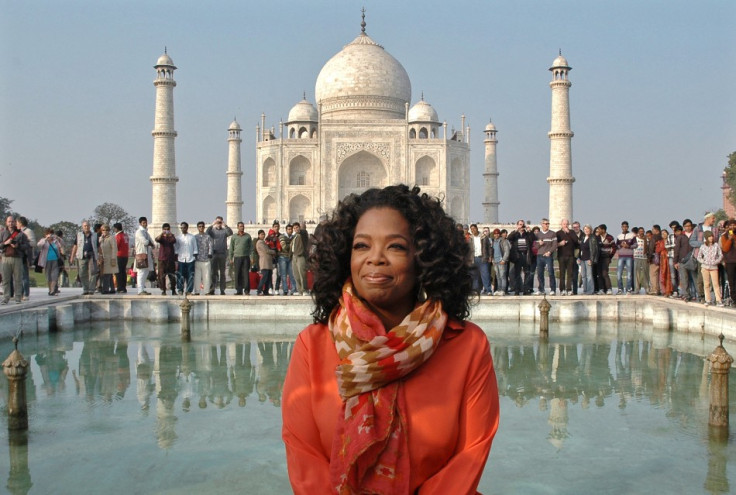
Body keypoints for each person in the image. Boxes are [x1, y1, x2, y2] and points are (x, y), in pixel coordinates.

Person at [282, 185, 499, 494]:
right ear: (346, 256)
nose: (375, 259)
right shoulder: (313, 346)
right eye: (361, 246)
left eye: (395, 247)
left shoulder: (466, 346)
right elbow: (304, 456)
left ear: (423, 257)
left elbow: (469, 455)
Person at [1, 216, 29, 304]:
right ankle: (6, 297)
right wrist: (5, 243)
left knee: (18, 279)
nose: (11, 223)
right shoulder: (2, 233)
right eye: (9, 222)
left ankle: (17, 297)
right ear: (6, 222)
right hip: (6, 258)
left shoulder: (21, 234)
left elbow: (26, 246)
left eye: (12, 222)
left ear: (15, 223)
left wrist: (18, 246)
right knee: (5, 279)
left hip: (17, 258)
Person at [69, 220, 98, 296]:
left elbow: (98, 246)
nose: (86, 227)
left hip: (92, 255)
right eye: (85, 226)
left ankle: (91, 289)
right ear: (82, 227)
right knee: (82, 273)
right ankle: (86, 289)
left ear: (90, 227)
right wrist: (72, 256)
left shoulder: (94, 235)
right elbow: (75, 246)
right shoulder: (79, 235)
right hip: (81, 255)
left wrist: (100, 256)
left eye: (88, 226)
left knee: (93, 272)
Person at [507, 219, 535, 295]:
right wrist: (516, 230)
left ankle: (525, 290)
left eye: (522, 224)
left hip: (526, 255)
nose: (521, 226)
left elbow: (533, 239)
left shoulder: (527, 234)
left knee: (527, 273)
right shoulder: (515, 234)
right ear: (517, 225)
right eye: (520, 224)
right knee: (517, 274)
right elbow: (509, 238)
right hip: (518, 256)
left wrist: (530, 231)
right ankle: (517, 290)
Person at [206, 216, 233, 295]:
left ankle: (222, 289)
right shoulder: (212, 231)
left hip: (222, 254)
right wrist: (212, 224)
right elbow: (207, 232)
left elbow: (230, 233)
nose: (219, 224)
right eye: (218, 222)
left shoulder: (224, 231)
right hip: (214, 254)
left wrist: (226, 225)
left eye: (220, 222)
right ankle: (212, 289)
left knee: (222, 273)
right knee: (213, 273)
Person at [697, 231, 723, 306]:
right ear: (706, 238)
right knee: (706, 284)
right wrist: (704, 261)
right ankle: (708, 299)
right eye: (709, 237)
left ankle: (718, 300)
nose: (711, 238)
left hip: (714, 267)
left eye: (712, 236)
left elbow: (720, 255)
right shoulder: (703, 246)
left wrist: (716, 261)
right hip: (705, 267)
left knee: (716, 284)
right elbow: (699, 257)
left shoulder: (716, 245)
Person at [534, 218, 557, 295]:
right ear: (542, 224)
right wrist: (539, 244)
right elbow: (535, 247)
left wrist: (549, 252)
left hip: (548, 256)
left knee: (551, 272)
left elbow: (554, 245)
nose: (547, 225)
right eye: (545, 223)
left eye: (548, 223)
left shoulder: (552, 234)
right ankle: (541, 289)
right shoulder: (538, 235)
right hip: (539, 256)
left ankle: (552, 289)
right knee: (540, 273)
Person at [229, 221, 252, 295]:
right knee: (237, 274)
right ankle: (239, 290)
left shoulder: (247, 236)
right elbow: (231, 248)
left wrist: (251, 257)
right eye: (240, 226)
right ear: (238, 227)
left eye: (243, 226)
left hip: (245, 257)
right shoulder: (234, 237)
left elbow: (251, 248)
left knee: (245, 274)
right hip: (237, 257)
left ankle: (247, 290)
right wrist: (230, 258)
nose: (242, 227)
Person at [556, 218, 579, 295]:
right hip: (561, 256)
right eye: (564, 224)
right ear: (561, 225)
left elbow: (576, 240)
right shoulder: (558, 233)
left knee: (570, 273)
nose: (565, 225)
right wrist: (560, 244)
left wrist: (569, 233)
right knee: (562, 273)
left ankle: (569, 289)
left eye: (567, 224)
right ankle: (562, 290)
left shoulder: (572, 232)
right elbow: (554, 244)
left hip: (570, 256)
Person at [175, 222, 198, 295]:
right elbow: (176, 248)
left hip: (190, 259)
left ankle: (189, 291)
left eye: (184, 227)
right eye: (181, 228)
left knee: (190, 276)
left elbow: (195, 247)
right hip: (181, 259)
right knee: (180, 275)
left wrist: (194, 257)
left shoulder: (192, 237)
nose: (183, 229)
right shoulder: (178, 238)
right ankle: (180, 290)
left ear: (187, 228)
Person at [155, 223, 178, 295]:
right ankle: (163, 290)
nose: (166, 231)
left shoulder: (171, 236)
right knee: (162, 275)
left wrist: (170, 234)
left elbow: (174, 240)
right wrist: (162, 234)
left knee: (172, 275)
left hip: (170, 258)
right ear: (162, 229)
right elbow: (157, 239)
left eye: (168, 229)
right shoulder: (161, 237)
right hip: (162, 259)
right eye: (165, 229)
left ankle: (173, 290)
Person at [134, 217, 154, 296]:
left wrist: (151, 243)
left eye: (145, 222)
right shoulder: (139, 232)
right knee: (141, 273)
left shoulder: (146, 232)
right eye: (143, 223)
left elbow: (152, 243)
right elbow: (145, 242)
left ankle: (142, 289)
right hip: (141, 254)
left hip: (146, 254)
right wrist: (150, 243)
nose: (145, 224)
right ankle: (140, 290)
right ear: (140, 223)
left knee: (145, 272)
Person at [17, 216, 35, 301]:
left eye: (17, 223)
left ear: (20, 223)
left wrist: (24, 242)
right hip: (17, 256)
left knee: (24, 276)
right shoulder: (17, 232)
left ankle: (26, 294)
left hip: (25, 256)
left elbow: (33, 243)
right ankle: (20, 293)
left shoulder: (28, 231)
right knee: (18, 276)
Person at [193, 221, 213, 296]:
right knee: (197, 277)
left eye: (202, 226)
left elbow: (210, 246)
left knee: (207, 277)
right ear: (198, 228)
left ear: (204, 227)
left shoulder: (208, 237)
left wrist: (210, 254)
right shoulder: (195, 237)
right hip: (197, 260)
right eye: (199, 226)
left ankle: (206, 291)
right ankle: (197, 291)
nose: (201, 228)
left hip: (206, 260)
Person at [616, 221, 635, 295]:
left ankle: (628, 289)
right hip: (621, 256)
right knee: (618, 273)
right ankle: (620, 288)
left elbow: (636, 245)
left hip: (629, 257)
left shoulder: (632, 235)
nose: (624, 228)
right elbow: (616, 246)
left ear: (628, 227)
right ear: (621, 227)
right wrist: (621, 245)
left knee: (629, 274)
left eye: (626, 226)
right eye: (623, 226)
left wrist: (628, 246)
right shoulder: (619, 236)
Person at [720, 218, 736, 305]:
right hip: (729, 261)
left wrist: (734, 238)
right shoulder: (724, 236)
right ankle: (734, 298)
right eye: (731, 225)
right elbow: (725, 249)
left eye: (734, 225)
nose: (732, 227)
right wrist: (730, 239)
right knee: (731, 281)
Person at [97, 224, 117, 294]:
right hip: (102, 258)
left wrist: (113, 258)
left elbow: (114, 248)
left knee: (107, 274)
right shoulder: (100, 238)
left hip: (109, 258)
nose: (105, 231)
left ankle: (105, 289)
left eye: (106, 230)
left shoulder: (111, 238)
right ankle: (112, 288)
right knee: (108, 275)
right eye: (103, 230)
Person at [579, 224, 598, 295]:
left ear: (590, 230)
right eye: (585, 229)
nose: (586, 230)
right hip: (582, 259)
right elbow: (580, 249)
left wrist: (591, 259)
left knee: (589, 275)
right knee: (583, 275)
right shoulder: (583, 237)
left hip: (588, 259)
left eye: (588, 229)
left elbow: (594, 250)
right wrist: (579, 257)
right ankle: (585, 290)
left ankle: (590, 290)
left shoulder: (593, 238)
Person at [255, 230, 276, 295]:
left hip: (268, 262)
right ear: (259, 235)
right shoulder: (260, 242)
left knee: (268, 278)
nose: (263, 236)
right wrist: (274, 252)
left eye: (264, 234)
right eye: (261, 234)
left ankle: (266, 291)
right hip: (264, 263)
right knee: (264, 277)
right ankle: (259, 290)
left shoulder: (263, 242)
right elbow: (266, 250)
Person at [277, 224, 296, 295]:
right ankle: (285, 290)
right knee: (284, 275)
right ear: (286, 230)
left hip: (290, 257)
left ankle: (293, 290)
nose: (290, 231)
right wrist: (292, 245)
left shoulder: (293, 237)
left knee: (292, 275)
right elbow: (284, 247)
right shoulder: (282, 236)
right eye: (289, 229)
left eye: (291, 229)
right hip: (283, 257)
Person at [597, 224, 616, 295]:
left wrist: (610, 256)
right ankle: (601, 289)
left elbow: (614, 248)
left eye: (599, 229)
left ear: (603, 230)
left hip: (606, 258)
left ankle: (609, 289)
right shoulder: (598, 237)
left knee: (605, 273)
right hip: (599, 258)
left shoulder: (610, 237)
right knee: (599, 274)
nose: (598, 231)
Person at [291, 222, 308, 295]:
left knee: (302, 274)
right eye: (294, 228)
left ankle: (304, 290)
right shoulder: (294, 236)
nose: (296, 229)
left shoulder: (303, 234)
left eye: (297, 227)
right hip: (294, 257)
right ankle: (300, 290)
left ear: (299, 228)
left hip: (301, 256)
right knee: (296, 274)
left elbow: (304, 232)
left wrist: (301, 230)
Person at [491, 228, 509, 296]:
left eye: (497, 234)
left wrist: (504, 260)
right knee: (498, 276)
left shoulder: (503, 241)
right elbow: (492, 251)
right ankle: (499, 289)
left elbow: (507, 251)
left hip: (501, 261)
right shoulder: (493, 242)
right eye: (495, 234)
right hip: (495, 261)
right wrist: (492, 260)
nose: (496, 235)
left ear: (500, 234)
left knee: (503, 276)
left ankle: (503, 290)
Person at [632, 227, 649, 294]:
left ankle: (647, 288)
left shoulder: (647, 239)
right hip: (637, 257)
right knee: (637, 274)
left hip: (645, 258)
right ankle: (637, 288)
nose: (641, 232)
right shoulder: (635, 239)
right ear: (638, 232)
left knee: (645, 273)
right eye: (640, 231)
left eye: (642, 231)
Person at [113, 223, 129, 293]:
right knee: (123, 272)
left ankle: (120, 287)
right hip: (125, 255)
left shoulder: (118, 236)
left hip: (119, 255)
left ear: (116, 229)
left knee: (118, 272)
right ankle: (124, 287)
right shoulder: (125, 235)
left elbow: (116, 246)